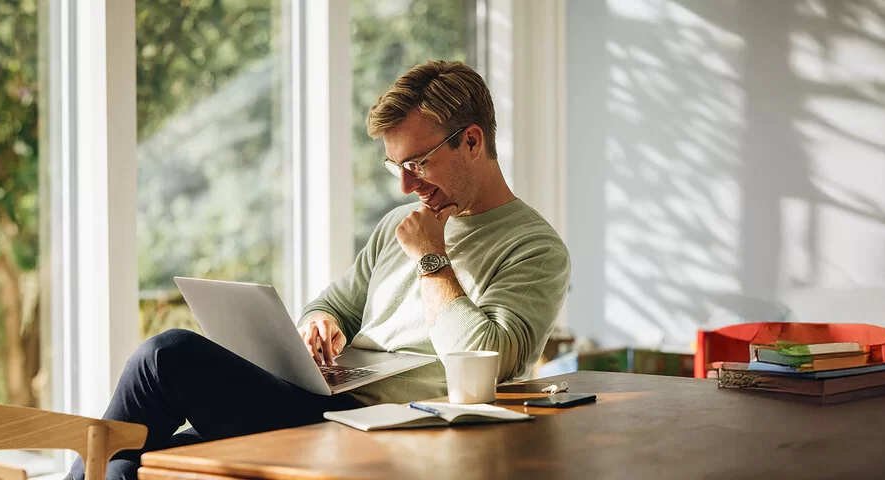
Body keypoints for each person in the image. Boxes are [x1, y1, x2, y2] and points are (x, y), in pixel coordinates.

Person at [68, 60, 570, 479]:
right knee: (134, 465)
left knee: (167, 356)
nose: (403, 186)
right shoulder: (400, 223)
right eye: (394, 167)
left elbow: (490, 358)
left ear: (472, 141)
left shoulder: (534, 247)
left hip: (391, 427)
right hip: (323, 403)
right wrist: (319, 324)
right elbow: (334, 304)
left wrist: (431, 259)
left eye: (416, 163)